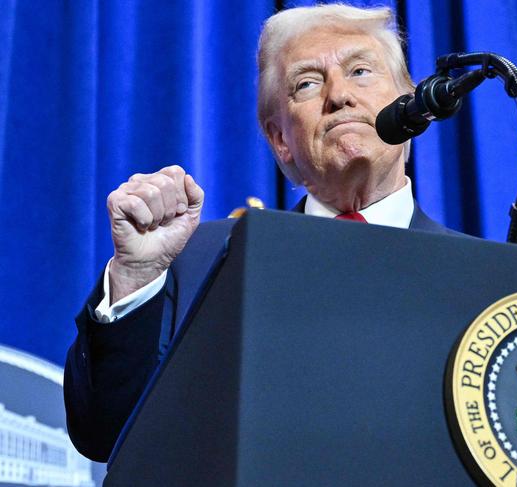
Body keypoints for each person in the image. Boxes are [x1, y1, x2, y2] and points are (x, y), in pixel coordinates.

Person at [64, 3, 461, 462]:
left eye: (361, 71)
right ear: (279, 140)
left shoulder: (472, 278)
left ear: (412, 108)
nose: (339, 96)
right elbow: (104, 432)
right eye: (307, 83)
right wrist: (137, 275)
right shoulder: (198, 260)